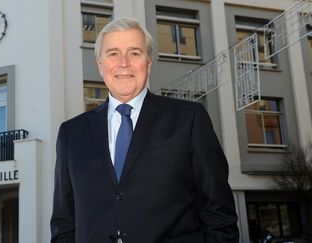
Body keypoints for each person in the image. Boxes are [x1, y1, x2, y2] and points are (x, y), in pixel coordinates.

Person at [50, 18, 239, 243]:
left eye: (134, 53)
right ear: (100, 65)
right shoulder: (71, 133)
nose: (123, 63)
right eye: (113, 54)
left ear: (148, 63)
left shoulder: (189, 119)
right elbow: (64, 223)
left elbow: (218, 212)